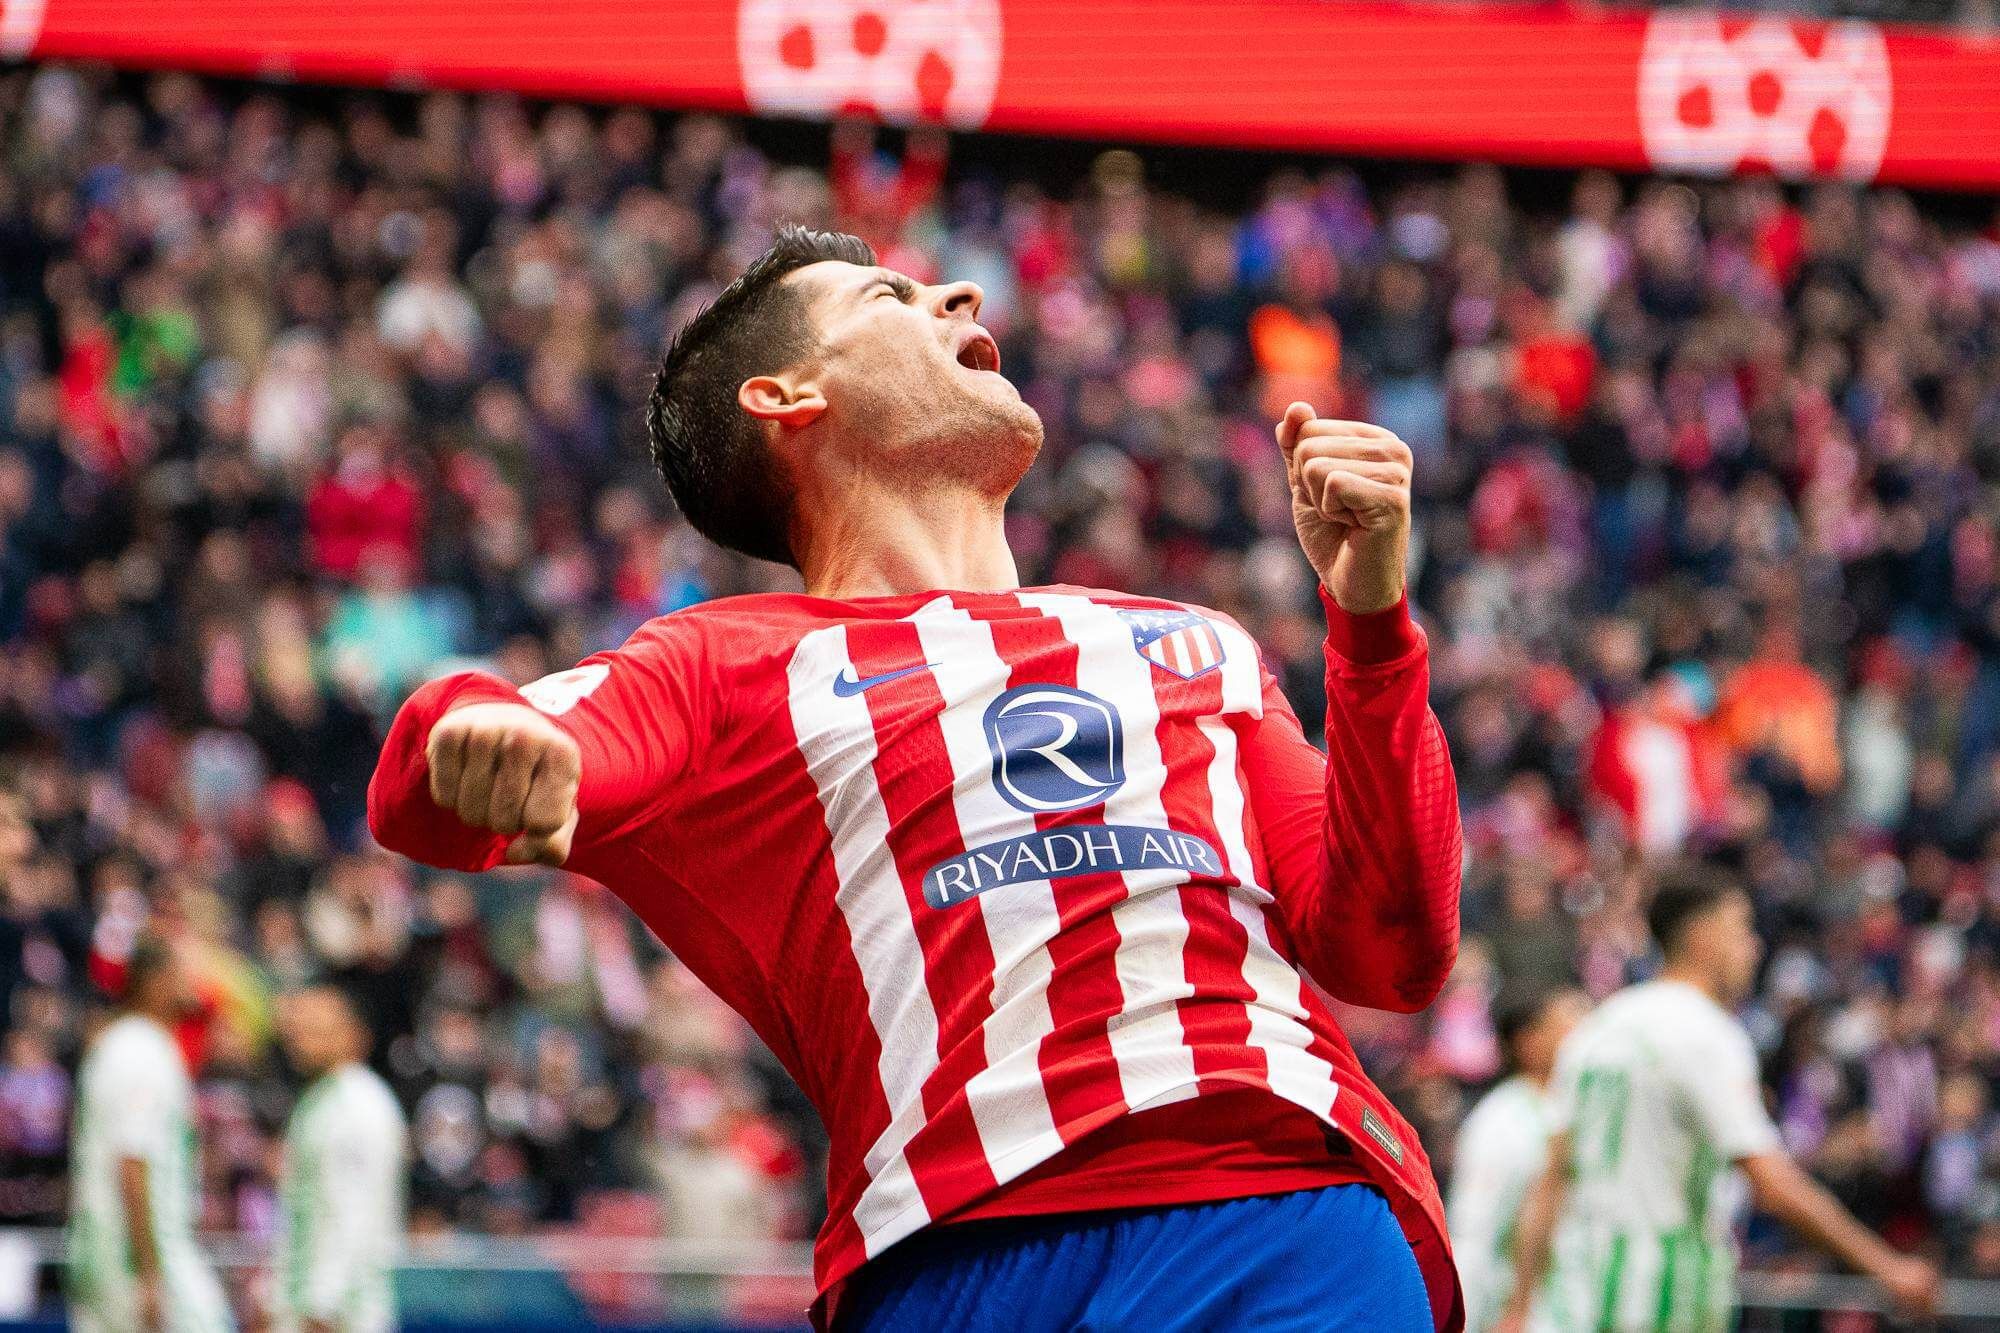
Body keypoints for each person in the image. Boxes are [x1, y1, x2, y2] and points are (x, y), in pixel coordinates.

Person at [368, 226, 1465, 1331]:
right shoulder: (719, 666)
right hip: (951, 1252)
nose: (960, 293)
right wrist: (475, 738)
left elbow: (1391, 948)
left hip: (1276, 1204)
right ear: (785, 395)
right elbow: (440, 781)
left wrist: (1371, 626)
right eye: (889, 296)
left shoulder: (1194, 641)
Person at [1495, 868, 1940, 1332]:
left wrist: (1518, 1308)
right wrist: (1886, 1266)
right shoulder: (1705, 1033)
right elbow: (1771, 1182)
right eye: (1742, 929)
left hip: (1581, 1296)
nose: (1754, 947)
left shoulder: (1596, 1031)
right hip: (1662, 1300)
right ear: (1704, 935)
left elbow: (1551, 1182)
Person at [64, 935, 233, 1333]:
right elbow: (131, 1161)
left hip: (106, 1249)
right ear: (157, 982)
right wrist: (149, 1274)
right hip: (133, 1256)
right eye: (185, 972)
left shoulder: (124, 1044)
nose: (196, 982)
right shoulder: (140, 1051)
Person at [1448, 986, 1588, 1331]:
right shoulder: (1501, 1121)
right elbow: (1476, 1227)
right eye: (1571, 1025)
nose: (1588, 1037)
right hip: (1520, 1314)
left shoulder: (1576, 1108)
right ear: (1529, 1041)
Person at [270, 986, 408, 1333]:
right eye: (298, 1028)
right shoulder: (320, 1100)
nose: (300, 1039)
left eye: (316, 1028)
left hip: (343, 1317)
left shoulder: (358, 1105)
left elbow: (351, 1214)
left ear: (353, 1035)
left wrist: (322, 1308)